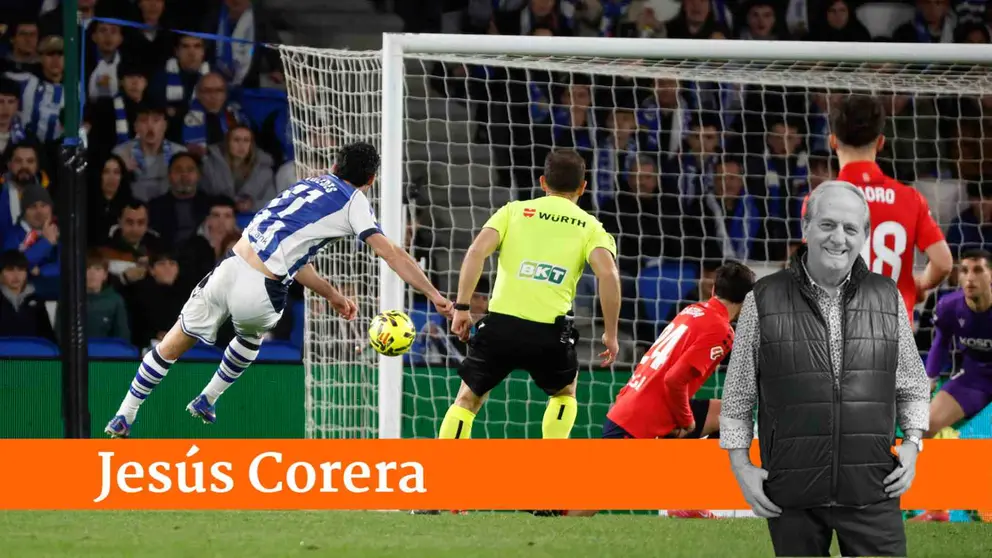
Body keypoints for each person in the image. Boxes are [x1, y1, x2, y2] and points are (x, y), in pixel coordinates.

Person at [105, 142, 454, 437]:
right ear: (371, 180)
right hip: (260, 290)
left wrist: (332, 294)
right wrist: (434, 294)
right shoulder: (355, 202)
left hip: (229, 266)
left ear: (334, 166)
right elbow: (390, 253)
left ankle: (124, 414)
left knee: (173, 343)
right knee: (249, 339)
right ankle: (208, 398)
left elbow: (291, 255)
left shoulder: (306, 186)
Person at [720, 181, 931, 557]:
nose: (839, 238)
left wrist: (913, 443)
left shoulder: (887, 296)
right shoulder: (762, 298)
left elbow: (913, 385)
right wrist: (741, 465)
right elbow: (737, 396)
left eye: (851, 229)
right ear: (806, 228)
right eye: (828, 225)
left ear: (865, 235)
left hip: (873, 492)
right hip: (790, 495)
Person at [433, 150, 620, 439]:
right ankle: (550, 463)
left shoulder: (514, 211)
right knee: (564, 392)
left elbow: (475, 252)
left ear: (543, 182)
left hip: (501, 326)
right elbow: (608, 275)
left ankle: (447, 469)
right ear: (583, 188)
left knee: (467, 400)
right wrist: (610, 332)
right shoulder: (591, 226)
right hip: (549, 333)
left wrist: (462, 307)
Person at [546, 261, 755, 519]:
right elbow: (674, 380)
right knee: (593, 500)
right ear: (746, 300)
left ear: (713, 289)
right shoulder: (721, 331)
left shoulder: (693, 310)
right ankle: (551, 518)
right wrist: (685, 419)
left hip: (641, 405)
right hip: (638, 420)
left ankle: (688, 500)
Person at [806, 94, 953, 324]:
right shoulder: (909, 198)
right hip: (892, 335)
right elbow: (943, 262)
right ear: (881, 142)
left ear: (832, 141)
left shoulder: (819, 200)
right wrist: (920, 284)